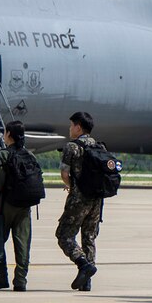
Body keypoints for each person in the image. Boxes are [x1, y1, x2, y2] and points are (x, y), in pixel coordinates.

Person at [0, 121, 39, 291]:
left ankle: (1, 278)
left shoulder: (3, 155)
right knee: (23, 243)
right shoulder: (30, 155)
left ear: (8, 134)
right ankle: (20, 280)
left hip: (5, 204)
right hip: (24, 206)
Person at [56, 111, 106, 292]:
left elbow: (64, 174)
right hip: (97, 201)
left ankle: (83, 264)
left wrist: (72, 187)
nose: (70, 129)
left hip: (79, 199)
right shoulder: (100, 147)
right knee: (89, 237)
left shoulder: (72, 147)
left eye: (71, 125)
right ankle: (87, 282)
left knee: (64, 235)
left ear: (78, 127)